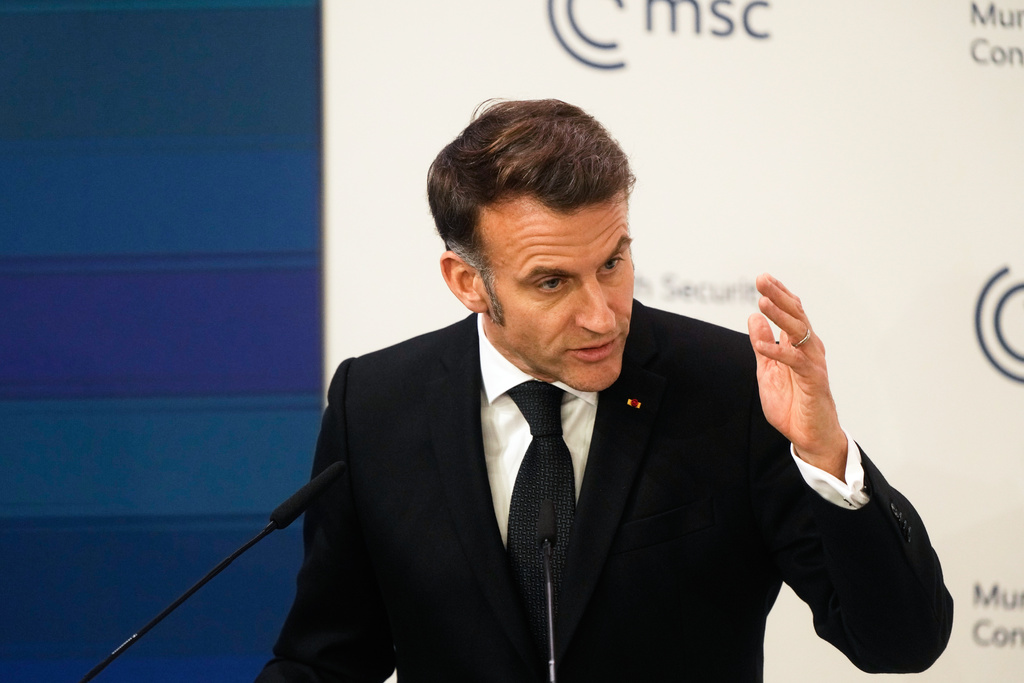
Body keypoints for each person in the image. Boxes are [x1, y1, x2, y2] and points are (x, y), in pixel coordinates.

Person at [256, 99, 952, 682]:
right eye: (552, 281)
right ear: (467, 281)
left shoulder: (734, 389)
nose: (602, 312)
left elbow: (899, 642)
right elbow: (328, 659)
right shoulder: (374, 404)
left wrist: (826, 453)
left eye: (613, 261)